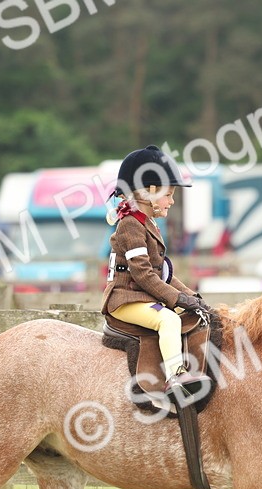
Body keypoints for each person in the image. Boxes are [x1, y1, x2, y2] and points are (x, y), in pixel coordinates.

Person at [102, 145, 212, 392]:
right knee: (168, 320)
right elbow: (143, 274)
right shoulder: (130, 225)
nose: (172, 201)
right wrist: (177, 299)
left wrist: (193, 297)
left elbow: (163, 272)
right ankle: (175, 376)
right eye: (169, 195)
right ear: (149, 192)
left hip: (141, 297)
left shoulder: (147, 223)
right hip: (125, 300)